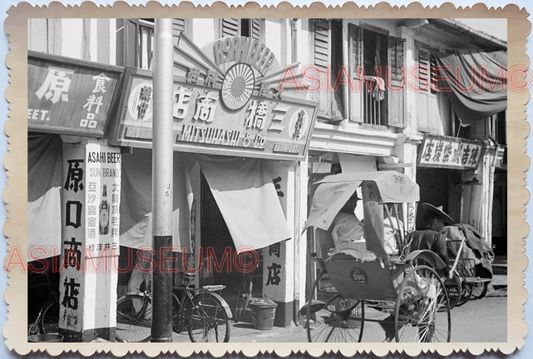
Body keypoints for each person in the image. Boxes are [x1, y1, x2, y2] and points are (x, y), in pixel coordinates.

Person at [408, 203, 452, 274]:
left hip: (413, 272)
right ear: (435, 222)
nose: (443, 225)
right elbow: (443, 255)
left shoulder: (413, 235)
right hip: (429, 273)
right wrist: (447, 271)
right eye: (442, 222)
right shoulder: (438, 236)